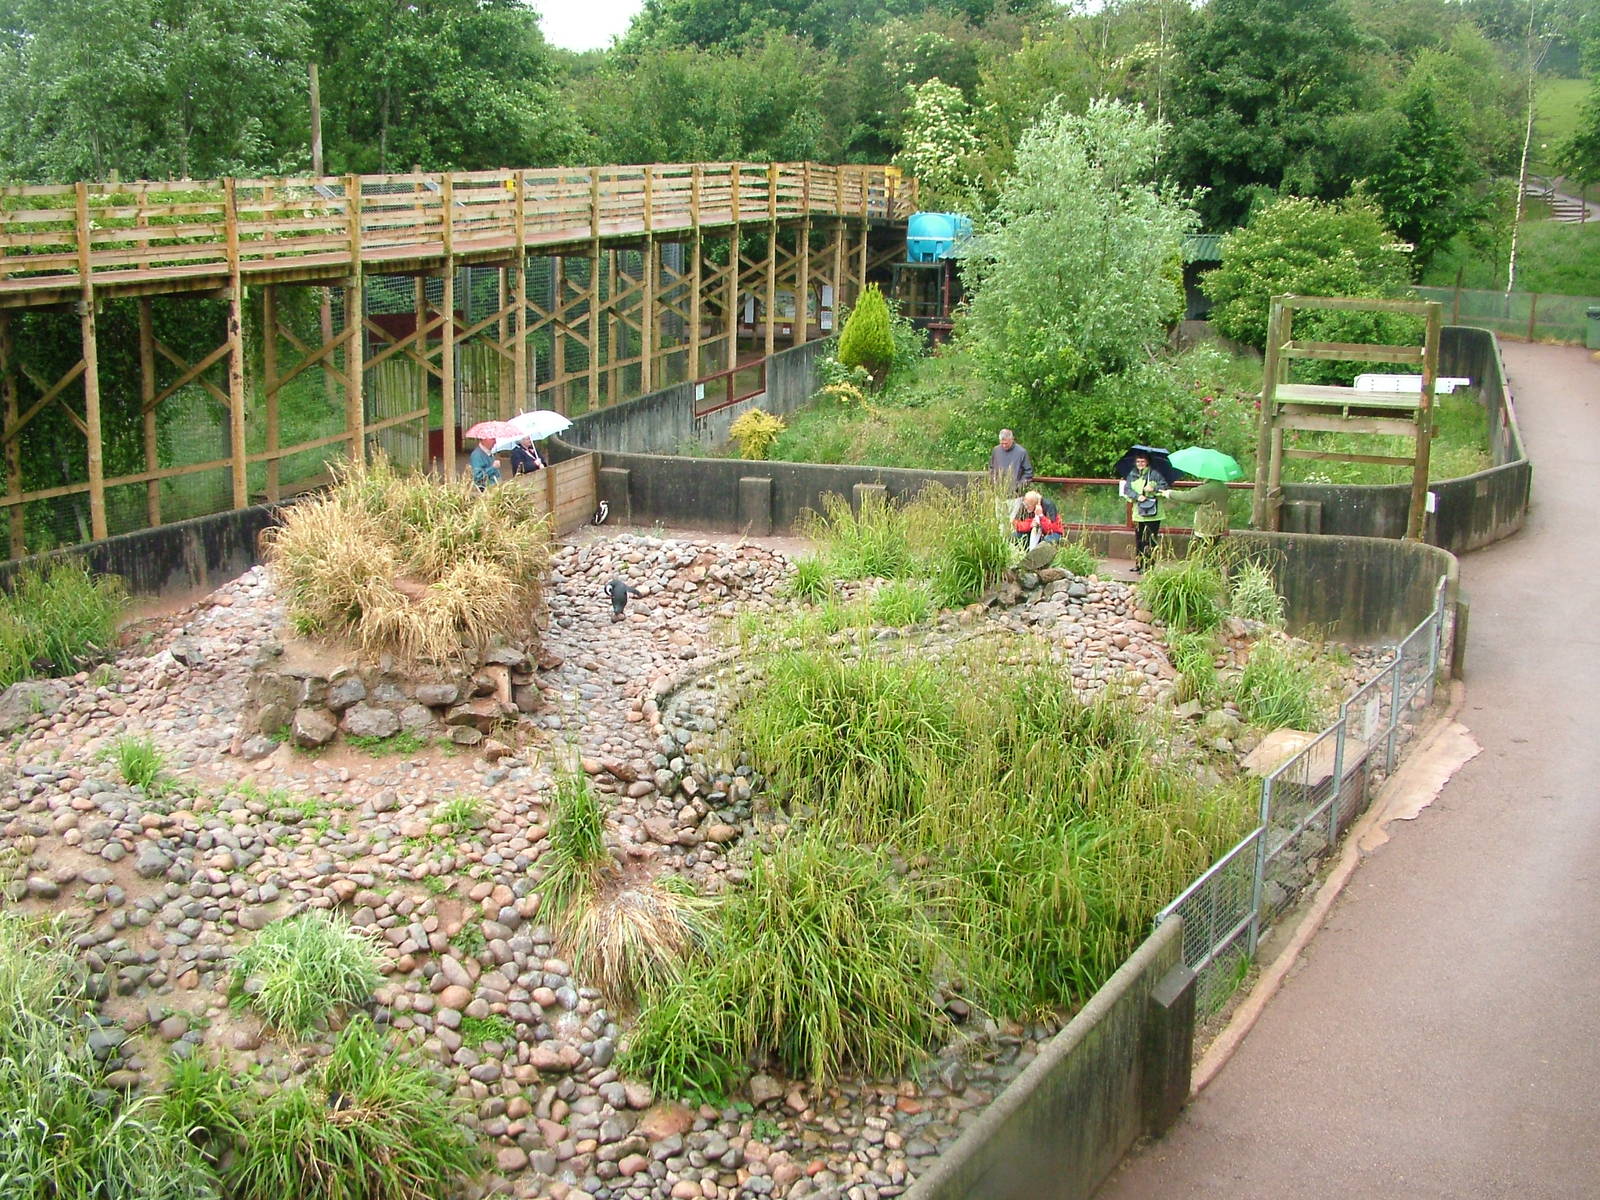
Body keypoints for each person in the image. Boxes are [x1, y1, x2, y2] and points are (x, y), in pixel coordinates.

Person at [1120, 451, 1168, 572]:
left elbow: (1165, 488)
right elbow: (1127, 490)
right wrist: (1137, 496)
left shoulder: (1155, 474)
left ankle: (1149, 566)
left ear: (1147, 462)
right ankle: (1139, 564)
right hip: (1138, 513)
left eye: (1142, 461)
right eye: (1138, 461)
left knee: (1150, 541)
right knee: (1139, 540)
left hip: (1153, 514)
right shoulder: (1132, 475)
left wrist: (1154, 488)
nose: (1140, 464)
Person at [1162, 478, 1230, 550]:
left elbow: (1188, 496)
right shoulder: (1223, 487)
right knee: (1212, 548)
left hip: (1205, 525)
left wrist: (1169, 493)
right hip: (1219, 523)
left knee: (1200, 549)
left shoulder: (1205, 489)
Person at [988, 429, 1033, 495]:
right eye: (1002, 443)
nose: (1004, 446)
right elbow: (991, 468)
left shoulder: (1021, 452)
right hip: (998, 492)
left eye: (1006, 443)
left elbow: (1028, 473)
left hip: (1016, 494)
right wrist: (994, 483)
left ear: (1012, 439)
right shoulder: (996, 450)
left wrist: (1018, 486)